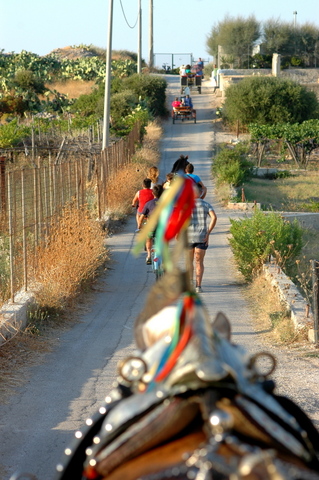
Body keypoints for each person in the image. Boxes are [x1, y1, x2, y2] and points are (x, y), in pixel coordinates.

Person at [188, 184, 217, 293]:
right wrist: (208, 232)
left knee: (189, 262)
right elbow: (214, 217)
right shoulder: (206, 204)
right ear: (200, 193)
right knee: (199, 262)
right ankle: (198, 286)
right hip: (201, 237)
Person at [137, 184, 164, 264]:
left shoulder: (148, 204)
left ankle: (149, 255)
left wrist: (139, 226)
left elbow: (141, 217)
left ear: (153, 193)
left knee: (148, 238)